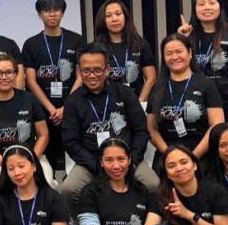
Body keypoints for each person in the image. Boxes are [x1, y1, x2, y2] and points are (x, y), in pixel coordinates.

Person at [60, 43, 159, 204]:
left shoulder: (124, 93)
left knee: (153, 185)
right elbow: (71, 142)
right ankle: (83, 219)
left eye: (97, 70)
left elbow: (141, 131)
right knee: (68, 189)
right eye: (86, 70)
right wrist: (97, 166)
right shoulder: (72, 101)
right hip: (91, 162)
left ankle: (146, 217)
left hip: (126, 159)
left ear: (107, 69)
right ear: (78, 71)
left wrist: (131, 161)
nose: (92, 75)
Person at [21, 0, 84, 172]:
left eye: (56, 10)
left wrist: (66, 107)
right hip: (43, 109)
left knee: (73, 153)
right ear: (39, 14)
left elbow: (81, 75)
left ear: (63, 13)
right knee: (47, 155)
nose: (52, 14)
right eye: (47, 10)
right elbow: (31, 81)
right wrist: (51, 109)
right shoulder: (31, 44)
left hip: (71, 106)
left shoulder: (76, 40)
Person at [177, 0, 228, 131]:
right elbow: (175, 70)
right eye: (201, 4)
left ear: (220, 6)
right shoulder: (188, 37)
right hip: (196, 107)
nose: (207, 7)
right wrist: (181, 40)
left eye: (212, 3)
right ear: (195, 9)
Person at [0, 54, 51, 196]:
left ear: (16, 74)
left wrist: (31, 160)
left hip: (33, 158)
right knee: (5, 187)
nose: (4, 77)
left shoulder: (29, 99)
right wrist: (7, 163)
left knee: (46, 183)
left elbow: (43, 135)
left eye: (9, 72)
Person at [146, 33, 224, 160]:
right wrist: (170, 155)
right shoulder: (157, 88)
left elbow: (217, 125)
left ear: (190, 53)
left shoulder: (206, 84)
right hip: (167, 156)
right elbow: (151, 129)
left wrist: (192, 157)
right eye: (169, 53)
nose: (174, 57)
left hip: (202, 155)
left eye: (179, 51)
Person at [93, 0, 156, 103]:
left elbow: (151, 77)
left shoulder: (140, 44)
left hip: (136, 102)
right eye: (108, 16)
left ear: (125, 17)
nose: (114, 19)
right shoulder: (96, 47)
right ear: (102, 20)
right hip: (106, 104)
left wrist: (140, 102)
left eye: (118, 14)